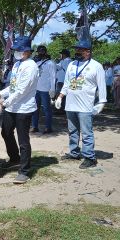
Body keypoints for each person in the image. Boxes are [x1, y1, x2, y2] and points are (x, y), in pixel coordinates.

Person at [0, 36, 39, 184]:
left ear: (27, 51)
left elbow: (21, 91)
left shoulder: (31, 66)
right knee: (6, 132)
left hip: (24, 108)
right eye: (15, 50)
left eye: (18, 50)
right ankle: (14, 157)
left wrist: (2, 105)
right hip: (12, 107)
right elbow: (13, 87)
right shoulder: (16, 65)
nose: (16, 52)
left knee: (23, 140)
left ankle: (24, 171)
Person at [55, 38, 106, 169]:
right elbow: (67, 83)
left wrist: (101, 102)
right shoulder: (72, 65)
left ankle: (89, 157)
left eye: (80, 49)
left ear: (87, 51)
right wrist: (60, 97)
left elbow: (102, 85)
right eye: (76, 49)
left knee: (86, 132)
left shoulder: (96, 66)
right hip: (70, 104)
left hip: (85, 105)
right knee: (72, 130)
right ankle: (74, 153)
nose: (77, 51)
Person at [31, 45, 56, 134]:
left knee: (47, 110)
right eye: (39, 52)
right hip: (36, 90)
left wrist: (52, 90)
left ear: (45, 52)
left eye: (41, 51)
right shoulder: (37, 63)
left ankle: (48, 127)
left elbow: (53, 77)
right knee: (35, 109)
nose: (40, 53)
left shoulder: (51, 63)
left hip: (46, 90)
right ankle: (35, 126)